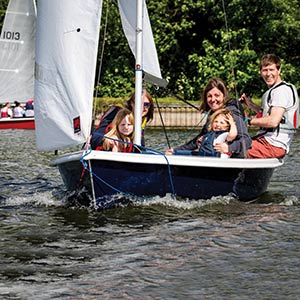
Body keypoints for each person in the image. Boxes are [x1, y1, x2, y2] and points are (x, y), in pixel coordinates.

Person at [165, 77, 252, 158]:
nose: (213, 99)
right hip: (212, 157)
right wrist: (176, 151)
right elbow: (198, 139)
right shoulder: (212, 113)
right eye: (209, 96)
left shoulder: (232, 112)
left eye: (217, 95)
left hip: (233, 161)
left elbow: (247, 140)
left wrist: (228, 147)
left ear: (224, 96)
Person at [240, 54, 299, 159]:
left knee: (230, 148)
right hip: (270, 143)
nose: (268, 74)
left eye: (271, 69)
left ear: (279, 70)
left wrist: (248, 121)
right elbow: (269, 112)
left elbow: (273, 121)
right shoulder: (278, 90)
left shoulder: (281, 91)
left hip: (272, 145)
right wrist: (250, 104)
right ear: (260, 72)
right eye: (265, 70)